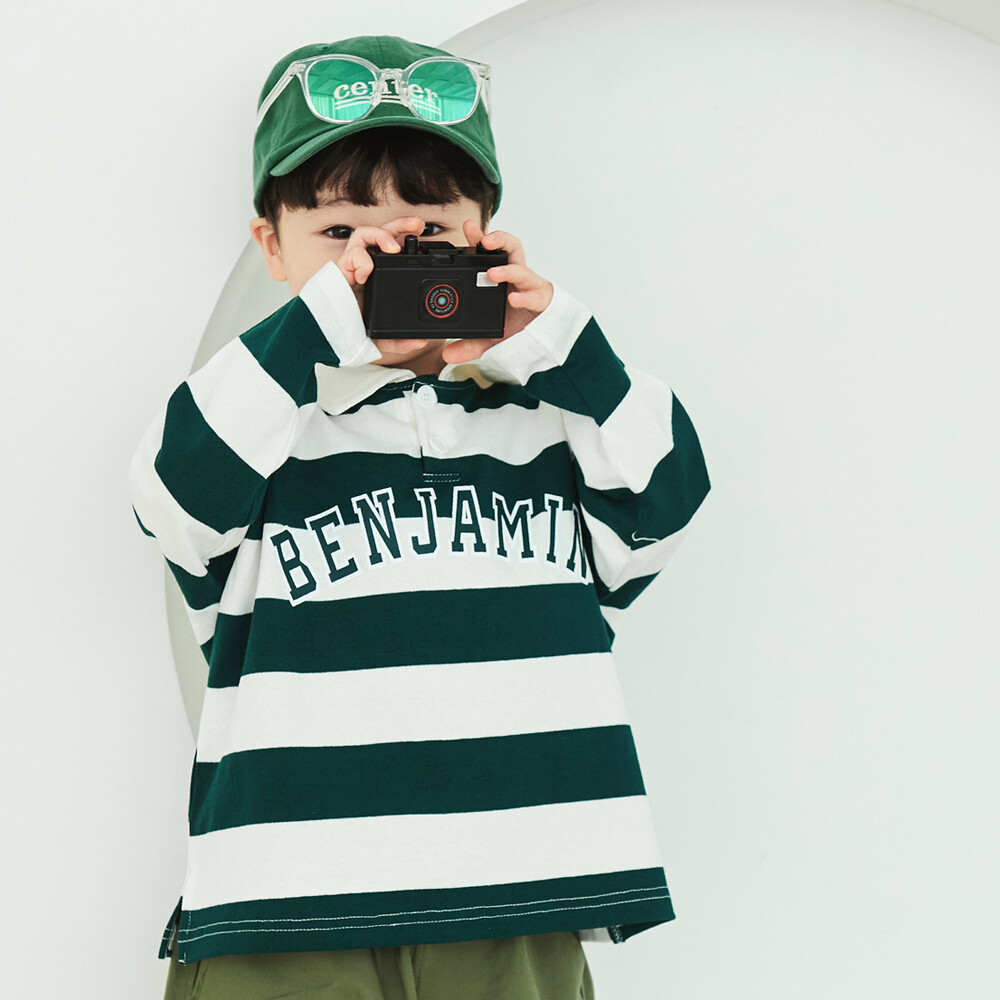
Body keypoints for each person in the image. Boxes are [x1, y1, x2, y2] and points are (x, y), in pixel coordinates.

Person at [130, 33, 711, 1000]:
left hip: (518, 893)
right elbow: (172, 499)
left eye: (426, 230)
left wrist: (558, 344)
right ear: (270, 247)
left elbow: (667, 504)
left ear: (487, 237)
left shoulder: (554, 424)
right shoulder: (257, 423)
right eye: (340, 234)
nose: (379, 260)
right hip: (285, 904)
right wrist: (322, 329)